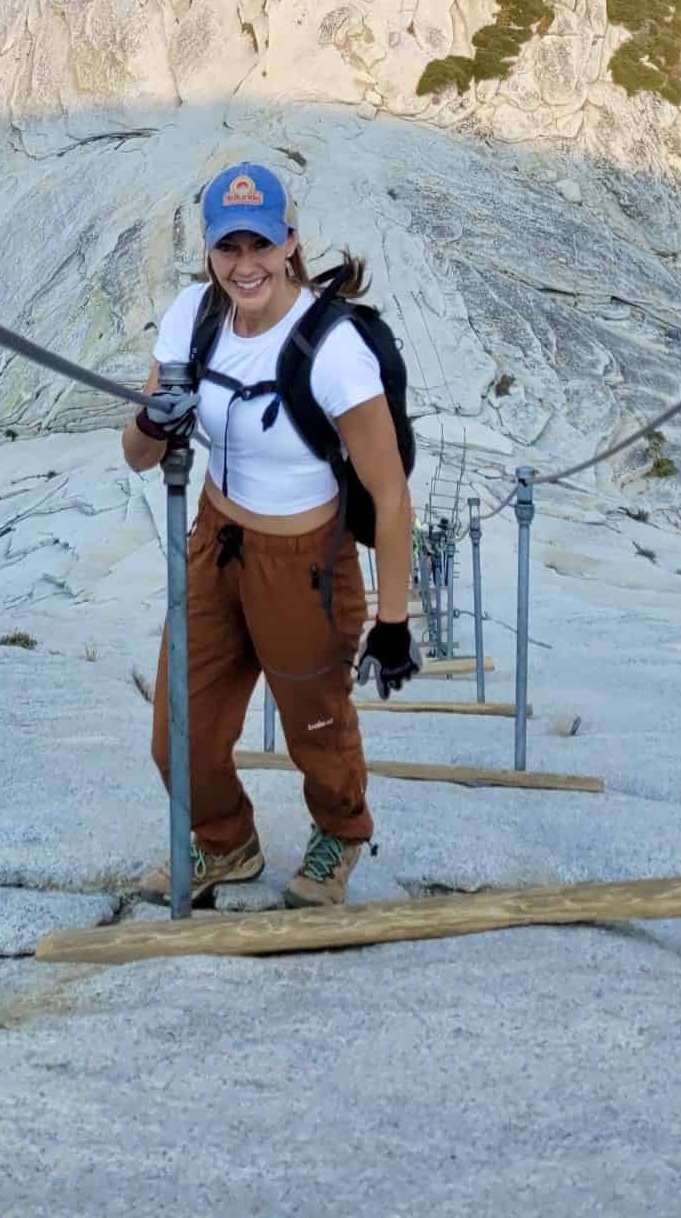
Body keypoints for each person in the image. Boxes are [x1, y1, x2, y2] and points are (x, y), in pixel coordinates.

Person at [123, 161, 417, 909]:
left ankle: (341, 832)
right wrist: (154, 419)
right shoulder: (193, 316)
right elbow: (138, 453)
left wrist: (392, 622)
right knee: (176, 734)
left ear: (291, 241)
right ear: (209, 250)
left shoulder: (335, 348)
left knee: (315, 726)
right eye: (229, 247)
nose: (245, 265)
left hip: (305, 563)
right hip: (216, 541)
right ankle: (226, 843)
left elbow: (388, 493)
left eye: (262, 245)